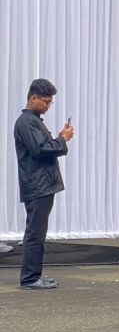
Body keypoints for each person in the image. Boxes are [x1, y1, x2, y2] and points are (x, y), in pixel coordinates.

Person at [14, 79, 73, 289]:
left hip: (41, 185)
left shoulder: (33, 121)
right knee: (35, 233)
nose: (48, 106)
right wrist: (62, 139)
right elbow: (40, 150)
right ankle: (30, 278)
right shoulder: (26, 122)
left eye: (50, 103)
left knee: (37, 232)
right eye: (46, 102)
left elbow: (44, 146)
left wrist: (58, 139)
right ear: (34, 98)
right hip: (37, 185)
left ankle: (34, 275)